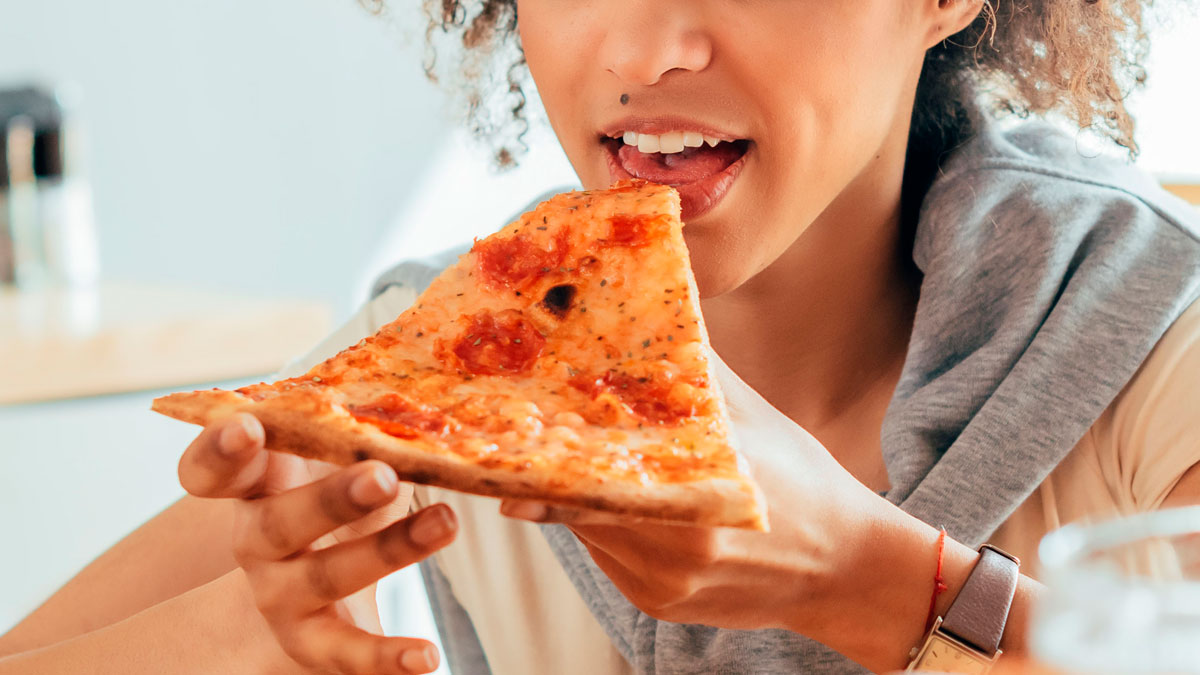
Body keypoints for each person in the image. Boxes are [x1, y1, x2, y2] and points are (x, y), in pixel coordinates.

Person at [2, 0, 1199, 673]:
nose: (645, 51)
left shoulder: (1159, 332)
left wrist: (879, 583)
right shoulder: (446, 371)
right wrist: (247, 638)